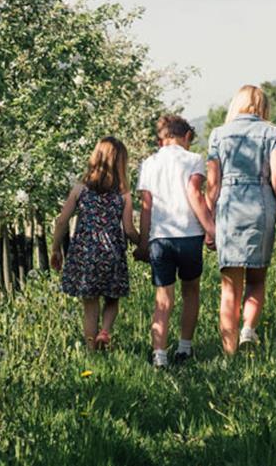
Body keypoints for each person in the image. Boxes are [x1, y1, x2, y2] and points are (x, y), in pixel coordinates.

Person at [206, 85, 276, 354]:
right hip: (260, 203)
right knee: (256, 278)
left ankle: (229, 352)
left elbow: (212, 183)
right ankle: (248, 330)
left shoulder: (218, 134)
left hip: (229, 206)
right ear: (262, 106)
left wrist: (210, 217)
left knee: (229, 286)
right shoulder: (273, 132)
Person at [136, 115, 215, 368]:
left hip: (160, 237)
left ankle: (159, 355)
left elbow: (146, 206)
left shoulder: (149, 163)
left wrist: (143, 242)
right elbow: (194, 195)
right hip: (189, 236)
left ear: (161, 139)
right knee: (191, 291)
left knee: (163, 298)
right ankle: (184, 348)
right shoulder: (193, 159)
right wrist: (210, 229)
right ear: (187, 137)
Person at [50, 137, 138, 351]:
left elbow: (62, 220)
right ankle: (105, 330)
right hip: (112, 253)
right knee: (112, 298)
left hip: (84, 252)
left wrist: (55, 248)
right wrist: (143, 244)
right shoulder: (123, 194)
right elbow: (128, 229)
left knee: (90, 306)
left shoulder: (80, 189)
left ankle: (92, 352)